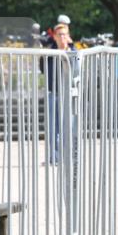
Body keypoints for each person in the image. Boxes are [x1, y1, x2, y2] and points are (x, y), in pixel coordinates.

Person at [40, 23, 78, 165]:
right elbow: (44, 70)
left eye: (64, 34)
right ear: (54, 37)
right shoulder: (49, 53)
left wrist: (71, 48)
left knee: (68, 126)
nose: (62, 37)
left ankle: (67, 156)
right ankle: (54, 157)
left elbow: (77, 69)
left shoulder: (74, 51)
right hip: (53, 93)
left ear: (68, 35)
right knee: (52, 128)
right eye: (59, 34)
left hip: (68, 94)